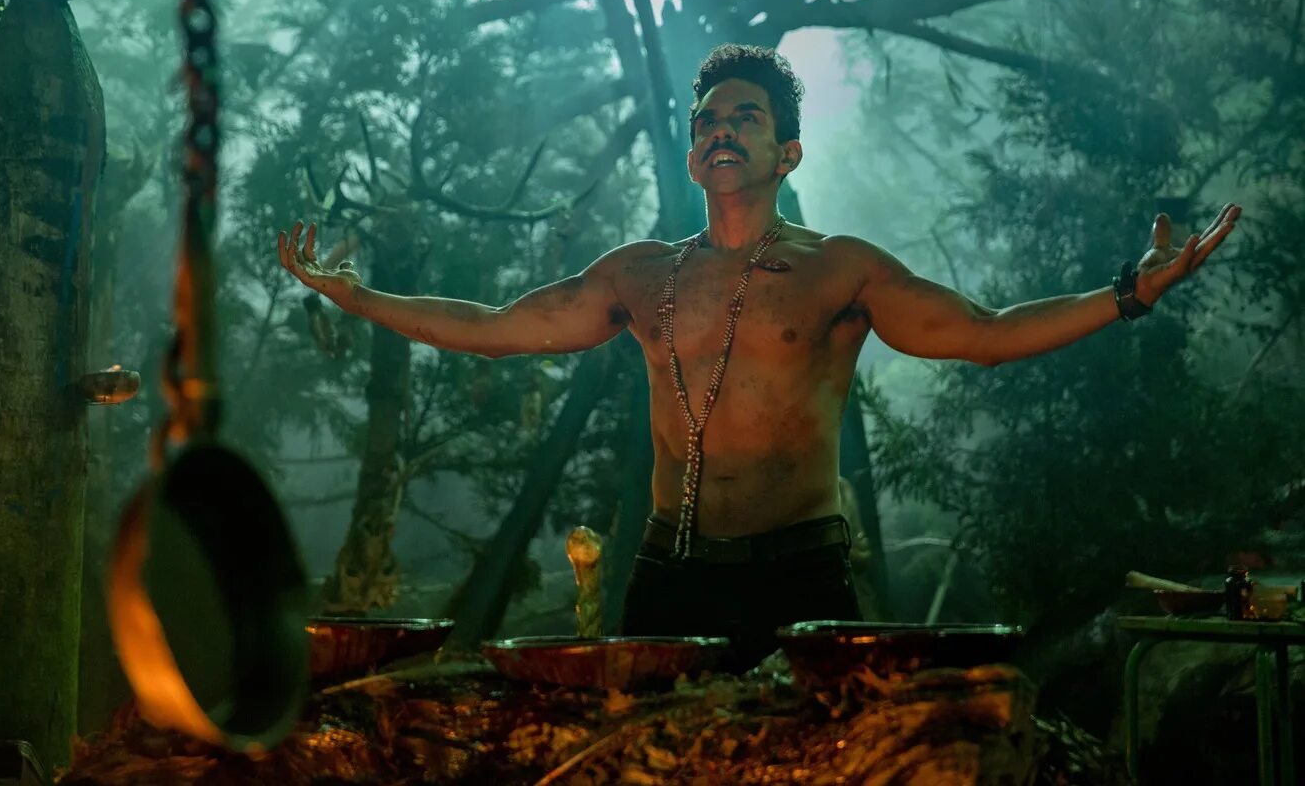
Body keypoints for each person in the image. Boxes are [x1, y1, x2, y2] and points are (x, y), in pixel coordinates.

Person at [277, 43, 1240, 669]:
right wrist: (355, 296)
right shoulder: (639, 273)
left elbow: (984, 335)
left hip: (798, 577)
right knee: (652, 763)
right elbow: (496, 326)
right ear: (692, 153)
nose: (720, 130)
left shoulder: (839, 271)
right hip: (668, 573)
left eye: (743, 117)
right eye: (706, 120)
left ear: (788, 152)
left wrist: (1128, 292)